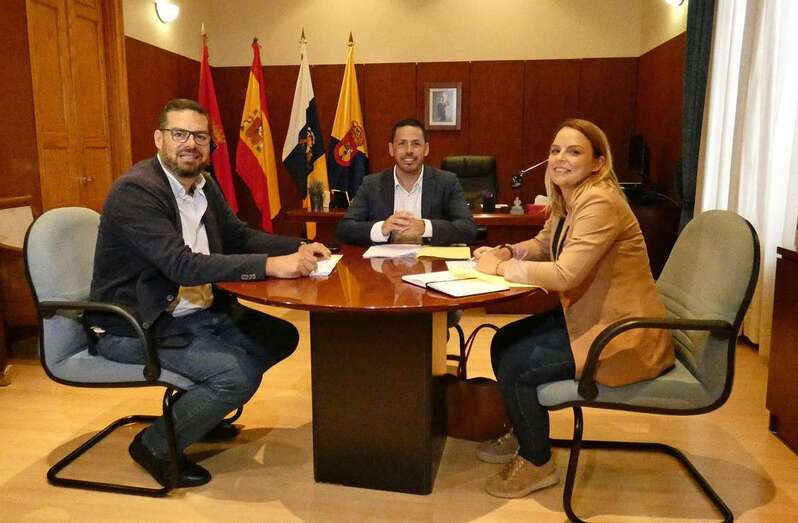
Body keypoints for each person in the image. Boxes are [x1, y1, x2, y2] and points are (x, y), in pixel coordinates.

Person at [88, 98, 330, 488]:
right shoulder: (136, 191)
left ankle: (200, 414)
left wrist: (296, 246)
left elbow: (237, 236)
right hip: (136, 324)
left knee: (281, 335)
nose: (190, 144)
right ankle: (154, 446)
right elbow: (180, 264)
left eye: (200, 136)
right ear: (158, 139)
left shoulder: (204, 183)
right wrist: (270, 265)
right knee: (237, 375)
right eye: (179, 134)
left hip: (194, 312)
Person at [472, 118, 674, 498]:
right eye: (555, 150)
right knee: (505, 341)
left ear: (598, 162)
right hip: (590, 318)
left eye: (574, 151)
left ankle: (537, 462)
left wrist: (500, 268)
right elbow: (544, 242)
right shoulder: (571, 198)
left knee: (517, 364)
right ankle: (524, 430)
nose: (560, 158)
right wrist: (508, 251)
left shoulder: (600, 201)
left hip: (621, 334)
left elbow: (565, 274)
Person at [336, 118, 477, 246]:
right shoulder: (372, 184)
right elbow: (345, 229)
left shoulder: (447, 182)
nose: (409, 151)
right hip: (384, 269)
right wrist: (382, 229)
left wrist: (425, 227)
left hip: (431, 268)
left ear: (426, 149)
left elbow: (468, 229)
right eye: (402, 144)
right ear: (392, 149)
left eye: (416, 144)